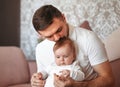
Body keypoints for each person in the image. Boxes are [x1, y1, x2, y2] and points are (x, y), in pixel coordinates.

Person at [31, 5, 114, 87]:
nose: (56, 38)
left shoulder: (89, 39)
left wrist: (77, 85)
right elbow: (43, 76)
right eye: (49, 36)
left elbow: (109, 80)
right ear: (40, 35)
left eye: (59, 30)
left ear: (64, 18)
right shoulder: (40, 49)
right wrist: (37, 82)